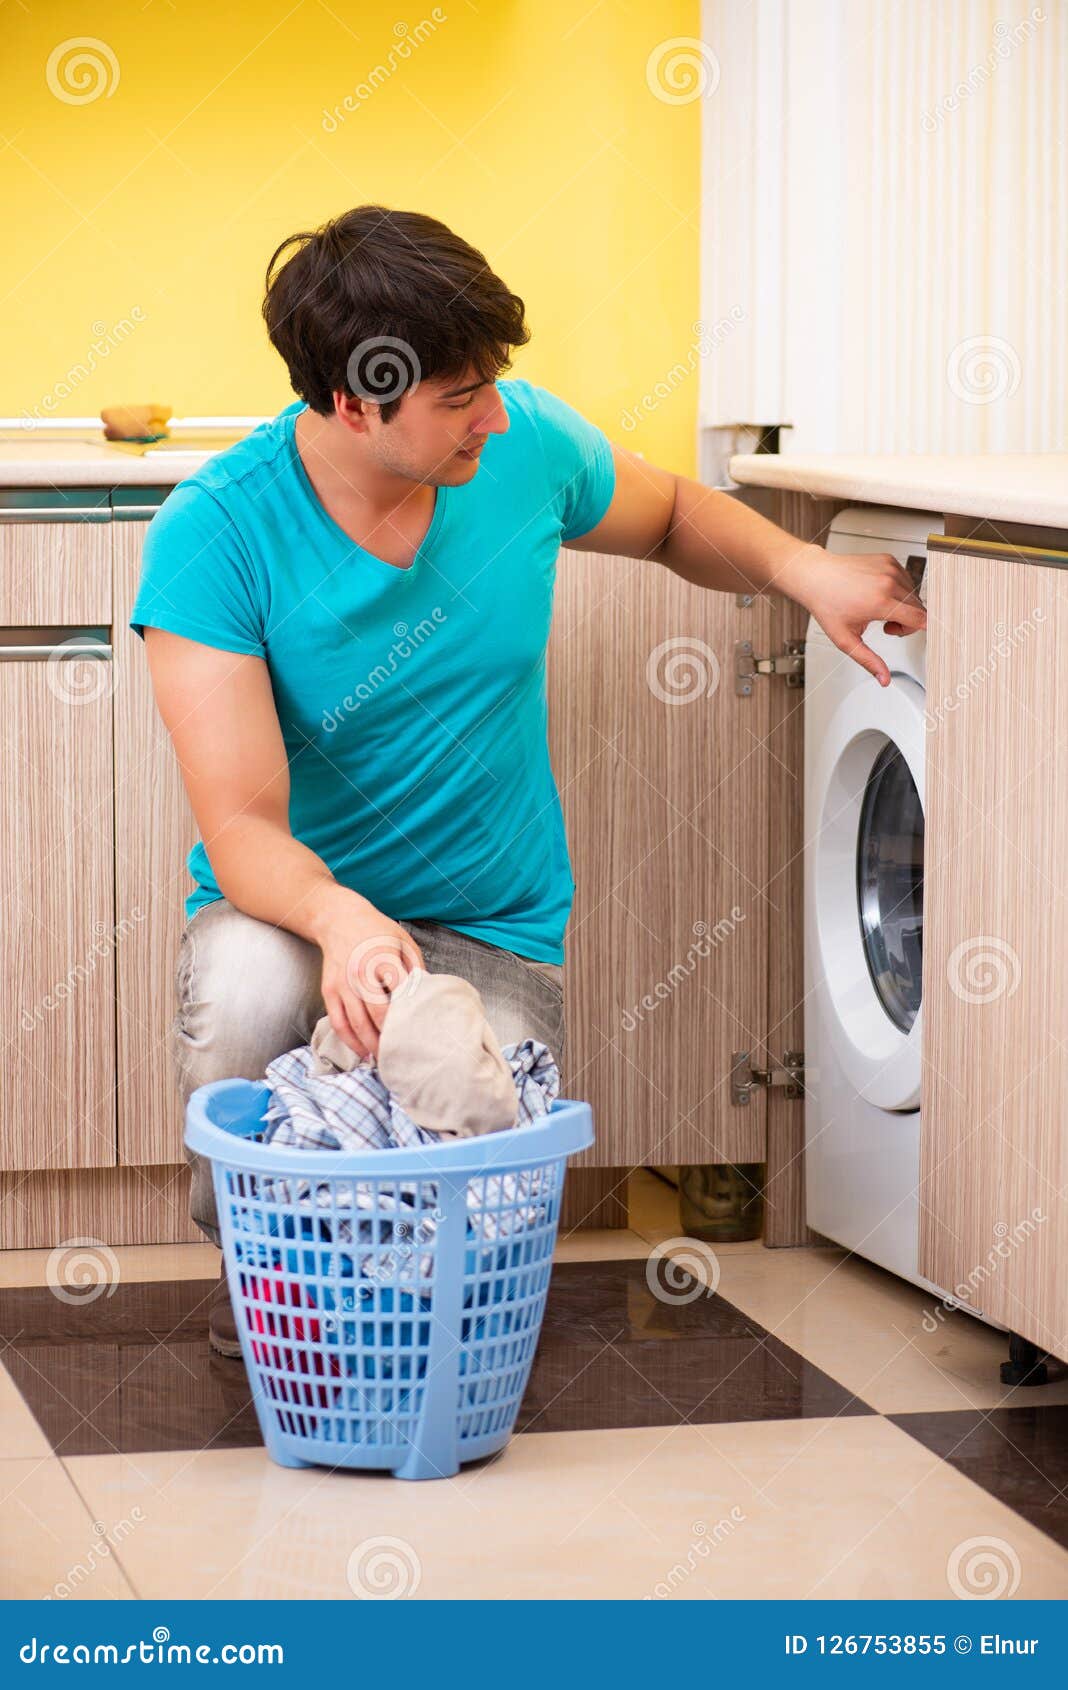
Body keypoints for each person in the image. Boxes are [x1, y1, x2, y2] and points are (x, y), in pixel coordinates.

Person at [130, 206, 924, 1354]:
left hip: (487, 928)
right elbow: (244, 825)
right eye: (460, 397)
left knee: (471, 1210)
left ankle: (401, 1308)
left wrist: (807, 571)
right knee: (247, 989)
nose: (494, 417)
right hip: (297, 919)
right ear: (353, 402)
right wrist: (345, 923)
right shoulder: (217, 532)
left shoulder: (522, 446)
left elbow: (674, 514)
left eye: (493, 385)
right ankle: (266, 1284)